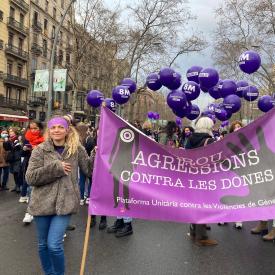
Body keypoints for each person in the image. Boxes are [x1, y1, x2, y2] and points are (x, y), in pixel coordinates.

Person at [25, 116, 93, 275]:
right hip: (42, 203)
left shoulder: (77, 149)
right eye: (53, 127)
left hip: (66, 203)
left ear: (67, 130)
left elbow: (89, 171)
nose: (57, 130)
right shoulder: (40, 150)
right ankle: (49, 273)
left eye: (60, 127)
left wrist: (97, 155)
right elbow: (30, 178)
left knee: (54, 245)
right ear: (49, 130)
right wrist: (56, 168)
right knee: (43, 244)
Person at [185, 116, 218, 246]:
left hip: (192, 177)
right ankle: (202, 237)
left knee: (194, 204)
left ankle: (193, 231)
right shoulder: (210, 141)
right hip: (205, 178)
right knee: (203, 205)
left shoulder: (190, 138)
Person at [20, 121, 45, 225]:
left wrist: (37, 149)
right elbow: (23, 153)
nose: (33, 130)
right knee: (31, 189)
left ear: (40, 129)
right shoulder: (27, 137)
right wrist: (25, 149)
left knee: (44, 191)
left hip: (43, 167)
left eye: (35, 128)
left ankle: (45, 213)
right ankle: (29, 213)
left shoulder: (45, 138)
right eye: (31, 128)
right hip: (30, 166)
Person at [229, 120, 244, 230]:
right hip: (229, 171)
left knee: (239, 196)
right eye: (235, 127)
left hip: (241, 171)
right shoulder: (226, 140)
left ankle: (238, 220)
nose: (237, 128)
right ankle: (223, 218)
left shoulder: (247, 140)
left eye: (239, 126)